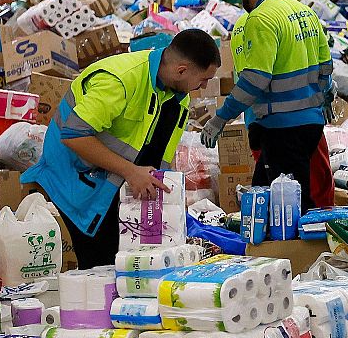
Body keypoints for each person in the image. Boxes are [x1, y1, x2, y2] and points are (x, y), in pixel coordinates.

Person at [23, 30, 220, 268]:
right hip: (75, 178)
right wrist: (130, 172)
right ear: (181, 70)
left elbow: (162, 154)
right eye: (204, 79)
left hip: (114, 179)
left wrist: (171, 197)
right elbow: (73, 135)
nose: (205, 86)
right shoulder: (120, 80)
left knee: (135, 264)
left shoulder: (178, 98)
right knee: (101, 267)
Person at [199, 0, 332, 210]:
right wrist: (325, 97)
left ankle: (298, 250)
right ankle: (264, 247)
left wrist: (221, 117)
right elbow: (326, 67)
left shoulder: (261, 19)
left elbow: (255, 79)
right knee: (263, 198)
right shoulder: (304, 13)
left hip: (282, 128)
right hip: (310, 125)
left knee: (291, 208)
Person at [271, 0, 337, 208]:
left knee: (280, 191)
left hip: (271, 123)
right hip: (304, 119)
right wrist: (327, 91)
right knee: (315, 183)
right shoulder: (303, 16)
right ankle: (318, 231)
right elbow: (324, 63)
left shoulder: (256, 20)